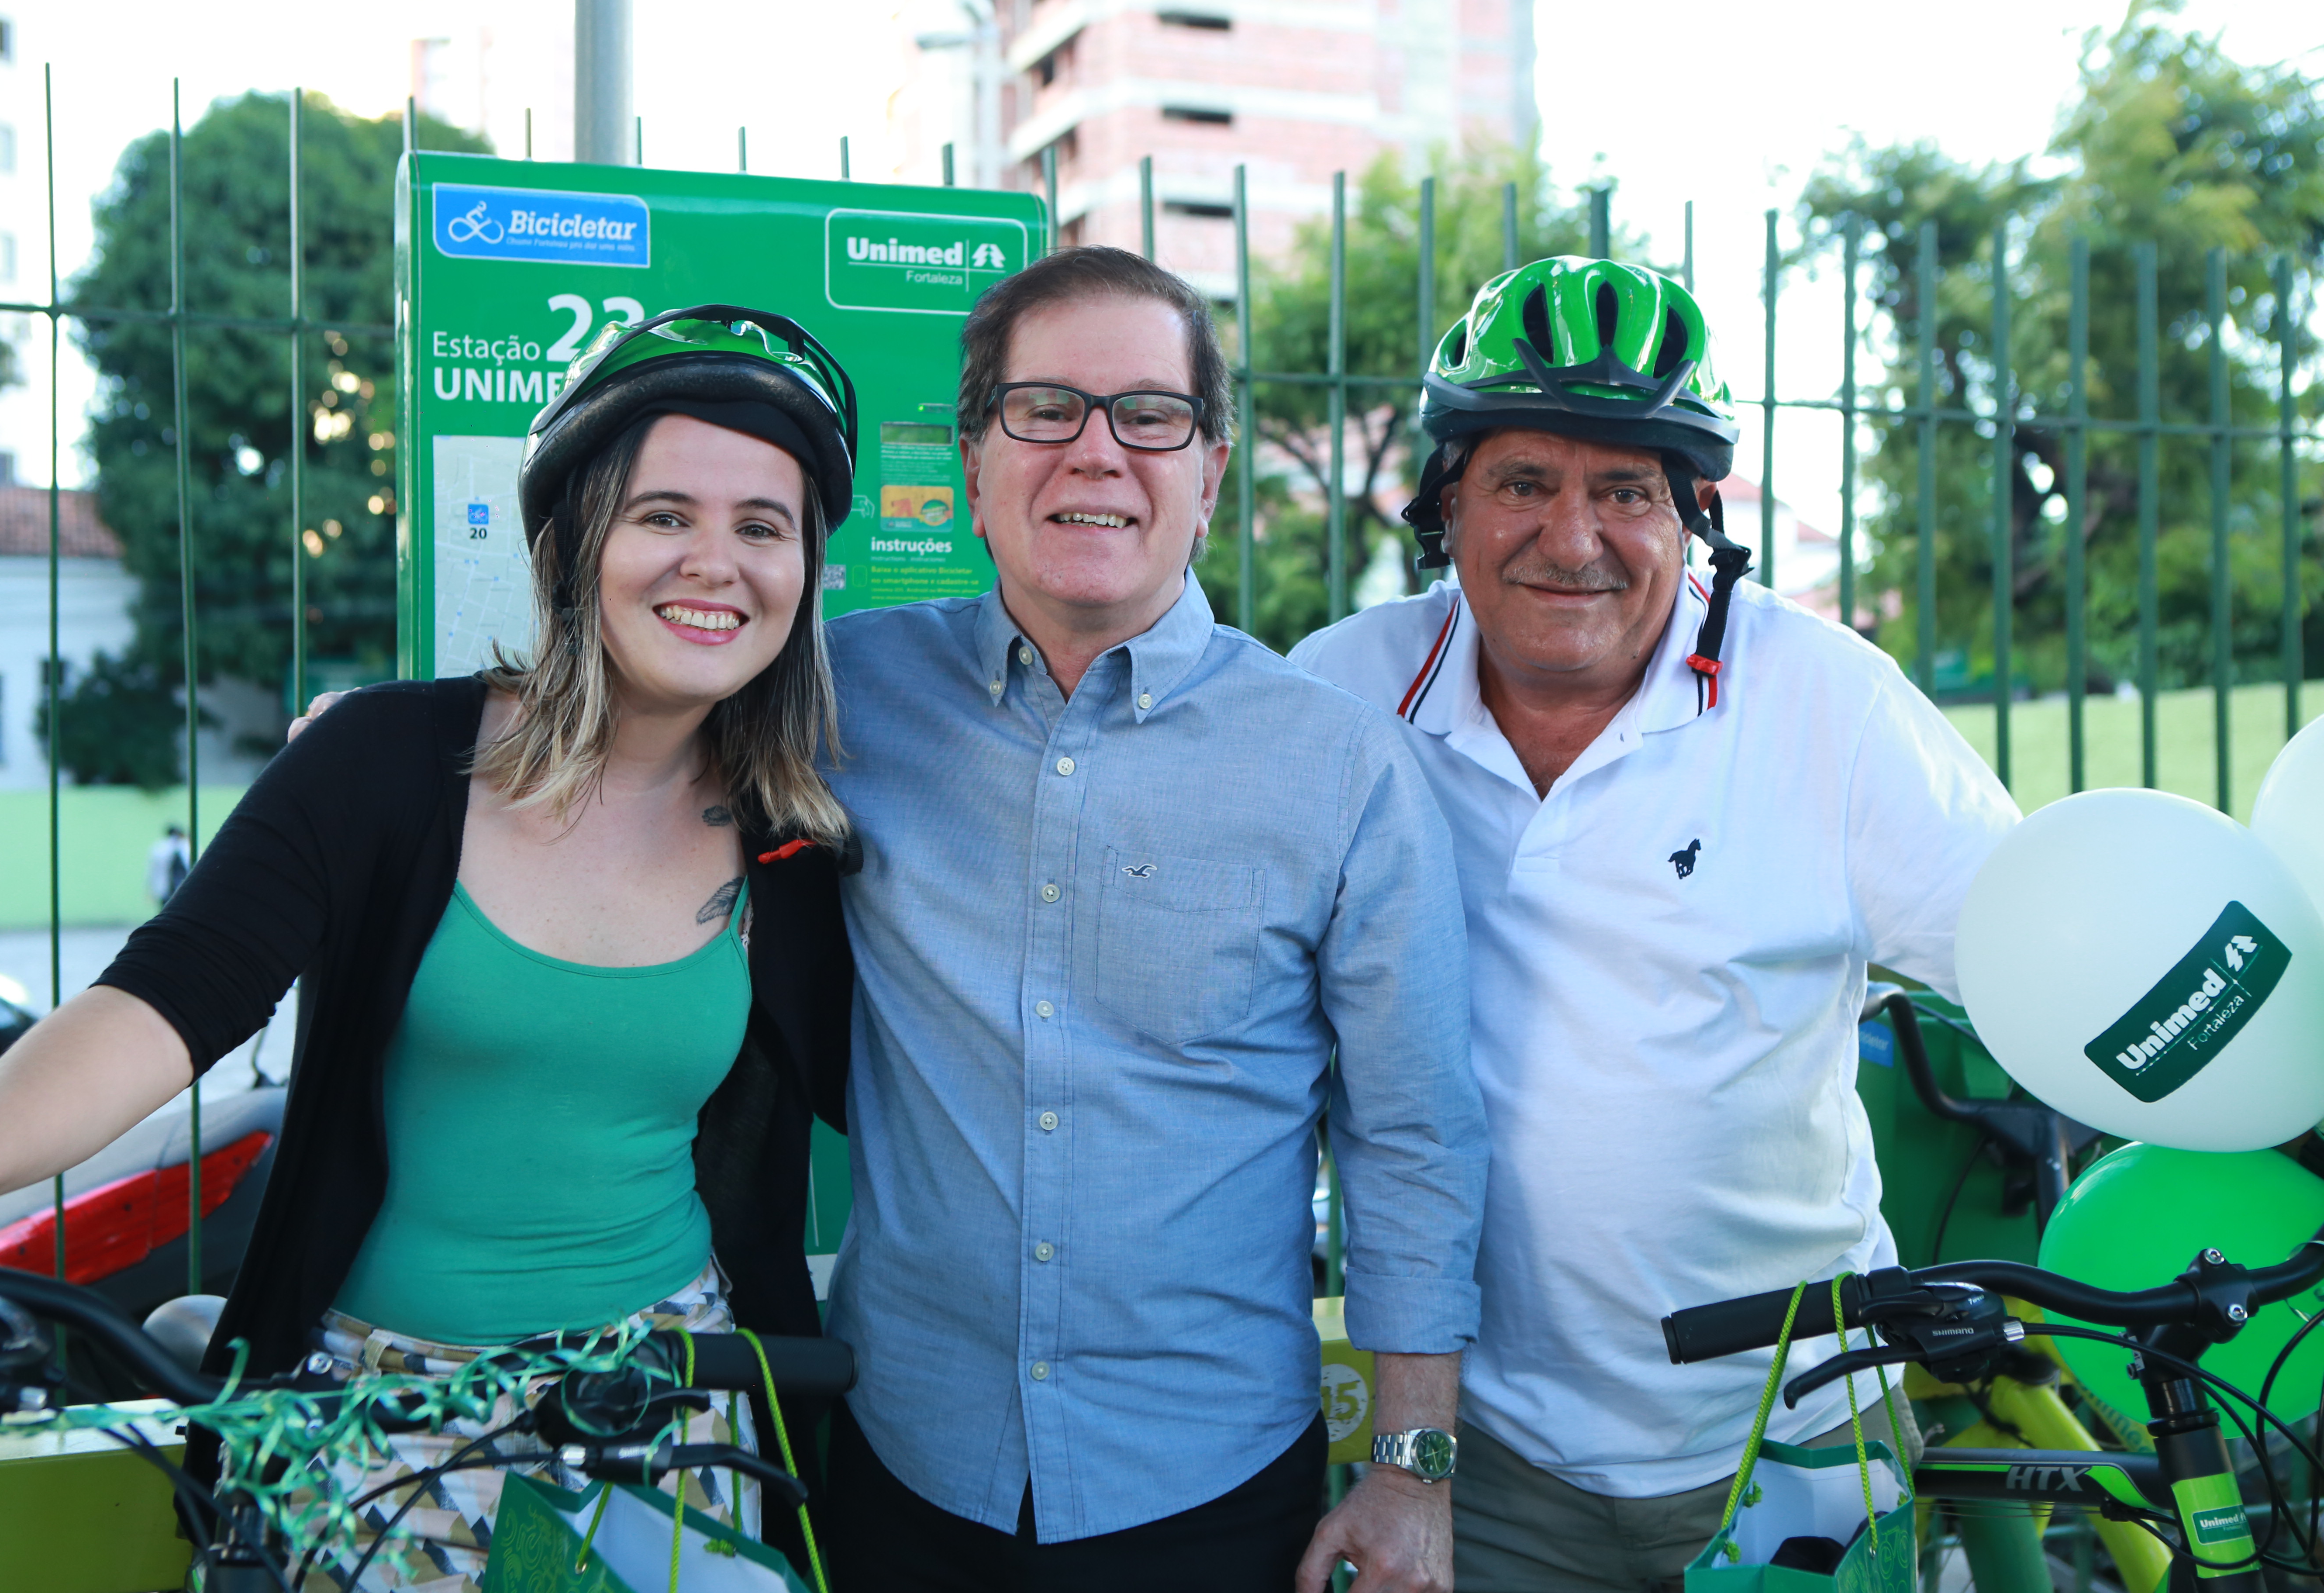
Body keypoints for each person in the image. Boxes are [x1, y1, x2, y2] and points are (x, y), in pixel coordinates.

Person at [0, 307, 861, 1588]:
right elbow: (166, 1001)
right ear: (576, 542)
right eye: (664, 516)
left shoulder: (791, 841)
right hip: (374, 1418)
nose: (718, 561)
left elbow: (916, 1083)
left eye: (764, 526)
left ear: (807, 572)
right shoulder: (382, 764)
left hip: (663, 1400)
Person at [1291, 256, 2021, 1592]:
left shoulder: (1831, 705)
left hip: (1798, 1433)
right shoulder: (1338, 695)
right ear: (1445, 503)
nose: (1573, 540)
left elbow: (2039, 958)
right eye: (1524, 481)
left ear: (1695, 520)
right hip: (1486, 1449)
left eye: (1626, 490)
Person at [819, 245, 1488, 1593]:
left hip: (1207, 1485)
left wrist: (1413, 1472)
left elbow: (1411, 1136)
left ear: (1210, 473)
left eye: (1150, 415)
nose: (1096, 453)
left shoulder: (1345, 767)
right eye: (1045, 408)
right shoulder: (837, 697)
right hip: (901, 1461)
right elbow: (617, 731)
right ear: (972, 463)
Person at [147, 823, 190, 903]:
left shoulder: (187, 848)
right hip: (167, 891)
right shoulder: (162, 849)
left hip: (182, 889)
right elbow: (154, 871)